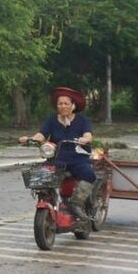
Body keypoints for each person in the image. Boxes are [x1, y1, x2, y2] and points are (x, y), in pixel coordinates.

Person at [20, 86, 97, 220]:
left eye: (66, 103)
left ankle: (76, 204)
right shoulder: (51, 120)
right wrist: (30, 138)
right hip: (58, 158)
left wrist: (85, 139)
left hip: (78, 158)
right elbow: (42, 134)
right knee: (42, 177)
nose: (63, 106)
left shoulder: (82, 120)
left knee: (88, 174)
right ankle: (48, 201)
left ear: (73, 106)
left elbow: (88, 135)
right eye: (60, 103)